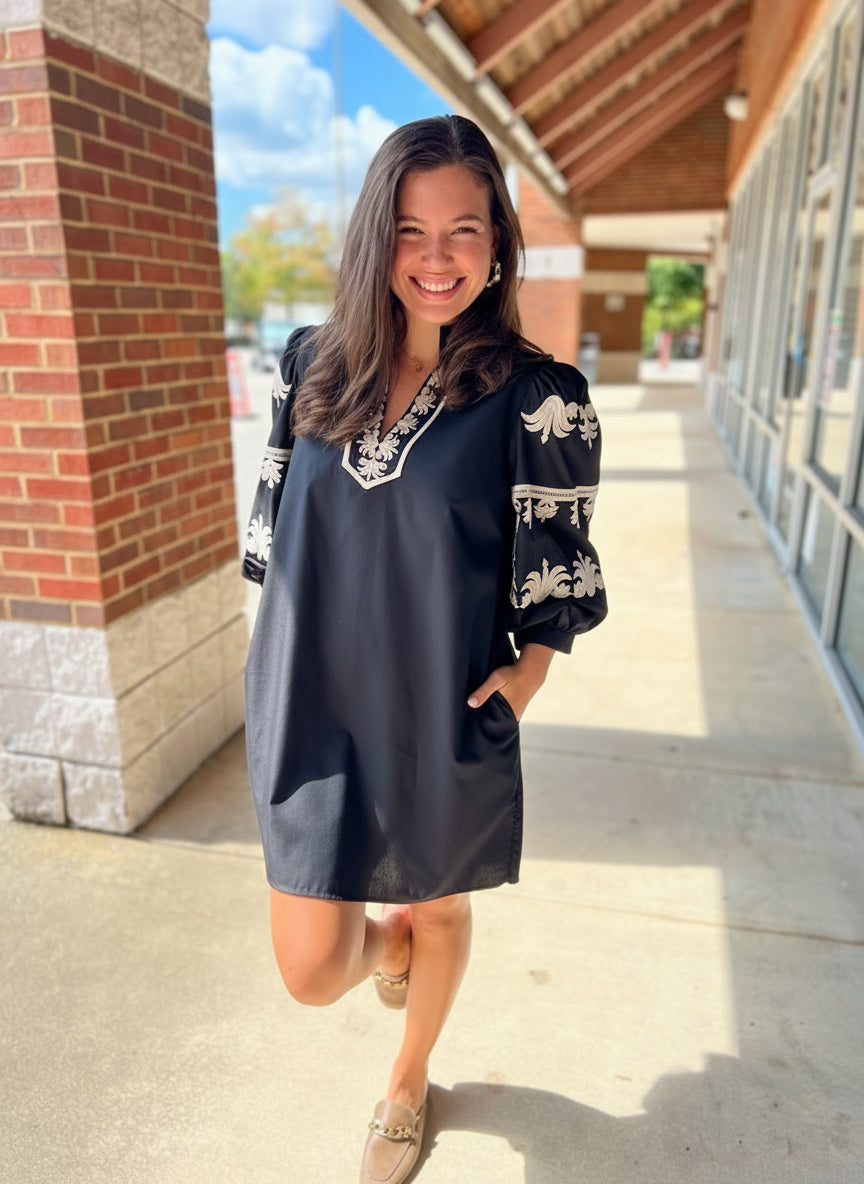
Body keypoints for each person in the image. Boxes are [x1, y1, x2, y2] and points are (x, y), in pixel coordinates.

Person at [243, 114, 607, 1184]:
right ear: (376, 238)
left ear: (497, 239)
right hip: (311, 694)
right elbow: (278, 534)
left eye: (462, 228)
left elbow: (558, 567)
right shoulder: (312, 364)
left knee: (438, 897)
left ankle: (408, 1081)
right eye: (410, 230)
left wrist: (526, 677)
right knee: (312, 967)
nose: (436, 258)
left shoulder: (538, 398)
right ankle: (388, 946)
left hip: (440, 691)